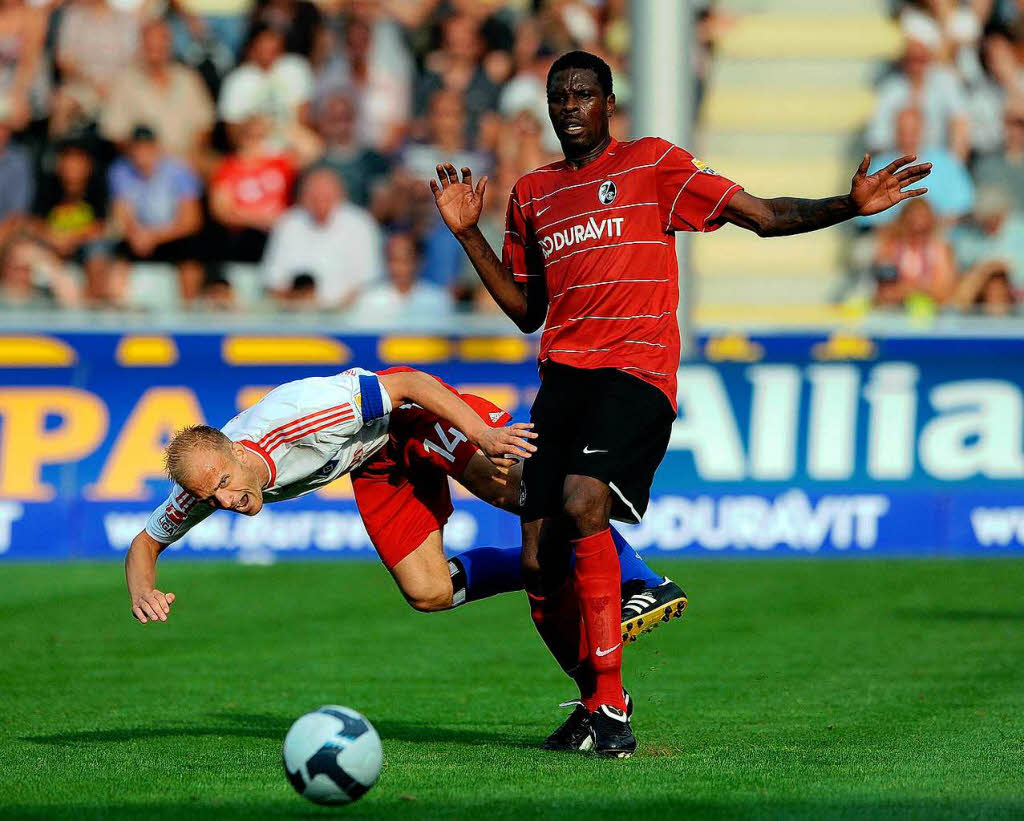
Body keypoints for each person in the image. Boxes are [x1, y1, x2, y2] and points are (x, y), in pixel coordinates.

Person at [431, 50, 932, 757]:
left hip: (635, 373)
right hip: (563, 382)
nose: (569, 104)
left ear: (609, 103)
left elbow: (762, 215)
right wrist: (467, 234)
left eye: (583, 93)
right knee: (540, 560)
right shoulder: (533, 194)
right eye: (558, 94)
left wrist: (851, 206)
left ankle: (609, 716)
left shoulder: (654, 165)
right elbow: (525, 309)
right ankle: (601, 702)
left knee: (583, 503)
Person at [124, 366, 682, 645]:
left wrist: (480, 436)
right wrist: (142, 589)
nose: (227, 501)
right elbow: (144, 544)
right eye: (210, 498)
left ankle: (644, 581)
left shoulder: (301, 417)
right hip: (372, 462)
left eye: (224, 482)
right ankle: (550, 562)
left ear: (234, 448)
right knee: (430, 591)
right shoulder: (206, 483)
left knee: (512, 487)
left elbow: (409, 382)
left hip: (406, 419)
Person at [101, 18, 215, 171]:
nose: (155, 49)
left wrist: (188, 155)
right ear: (141, 46)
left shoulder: (188, 78)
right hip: (142, 163)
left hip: (186, 159)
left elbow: (204, 125)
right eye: (150, 44)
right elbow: (116, 135)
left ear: (170, 45)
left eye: (160, 43)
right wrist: (147, 157)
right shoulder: (125, 82)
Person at [108, 125, 205, 304]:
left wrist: (155, 236)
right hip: (138, 236)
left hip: (171, 235)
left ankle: (189, 307)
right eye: (137, 147)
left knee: (192, 251)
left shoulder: (179, 171)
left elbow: (191, 220)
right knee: (113, 253)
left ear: (157, 147)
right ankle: (118, 310)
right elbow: (121, 214)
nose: (142, 153)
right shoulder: (120, 171)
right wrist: (137, 235)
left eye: (147, 147)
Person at [261, 166, 382, 309]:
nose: (320, 204)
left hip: (349, 315)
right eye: (314, 198)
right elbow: (273, 280)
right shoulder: (288, 223)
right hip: (295, 314)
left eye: (326, 197)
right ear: (302, 197)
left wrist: (335, 309)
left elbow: (367, 280)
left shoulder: (360, 224)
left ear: (340, 195)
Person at [351, 232, 453, 326]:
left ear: (419, 261)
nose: (399, 267)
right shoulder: (370, 300)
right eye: (394, 260)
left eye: (405, 260)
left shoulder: (437, 300)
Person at [872, 198, 957, 309]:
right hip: (894, 313)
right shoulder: (889, 247)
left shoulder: (939, 249)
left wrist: (907, 289)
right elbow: (885, 292)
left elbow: (944, 292)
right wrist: (920, 289)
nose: (917, 235)